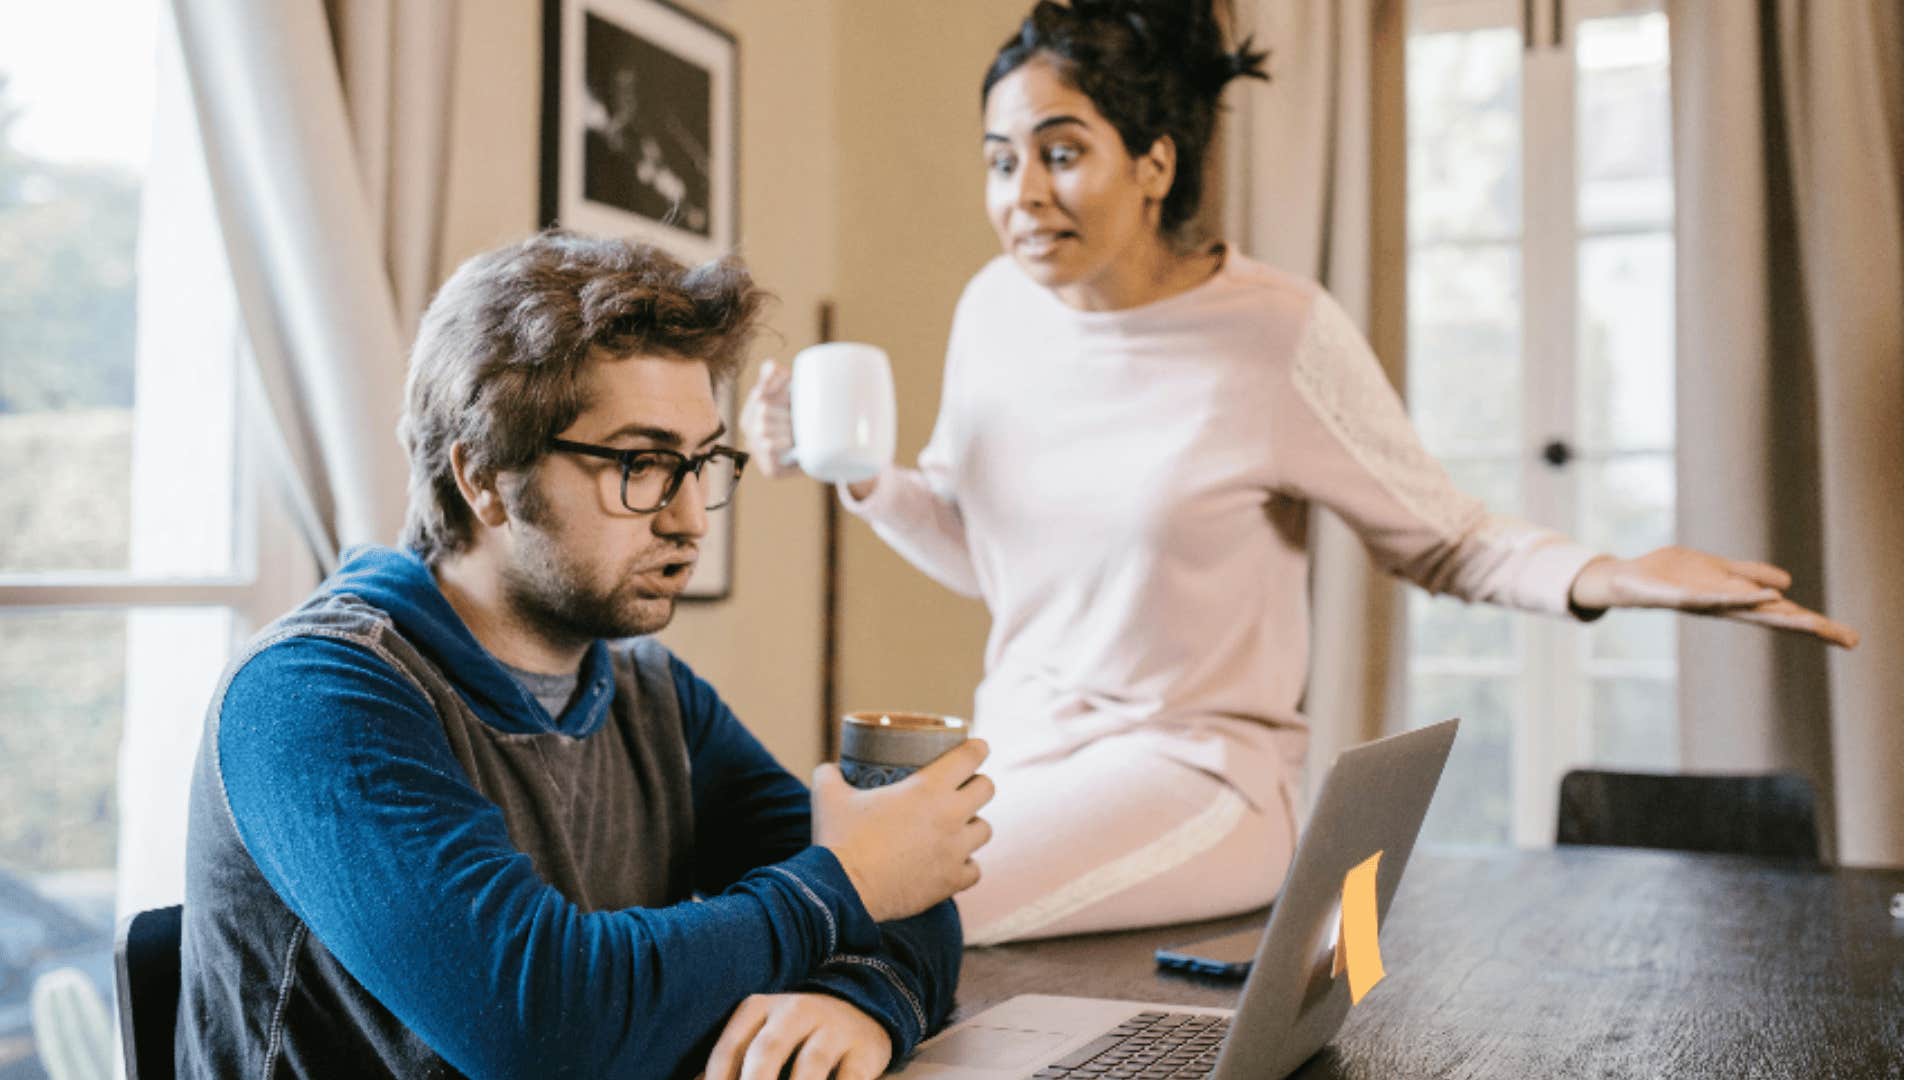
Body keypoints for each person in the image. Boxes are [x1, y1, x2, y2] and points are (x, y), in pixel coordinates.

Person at [740, 0, 1857, 947]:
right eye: (999, 159)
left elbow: (1449, 535)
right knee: (769, 847)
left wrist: (1604, 573)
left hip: (1201, 779)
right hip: (1019, 754)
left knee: (877, 901)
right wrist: (857, 474)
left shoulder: (1276, 334)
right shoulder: (994, 311)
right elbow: (993, 554)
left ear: (1155, 162)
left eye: (1061, 151)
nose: (1021, 193)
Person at [175, 231, 995, 1080]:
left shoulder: (651, 694)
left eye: (700, 463)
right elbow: (542, 1022)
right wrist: (843, 887)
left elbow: (912, 886)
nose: (690, 521)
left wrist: (861, 998)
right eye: (640, 464)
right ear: (484, 477)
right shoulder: (313, 697)